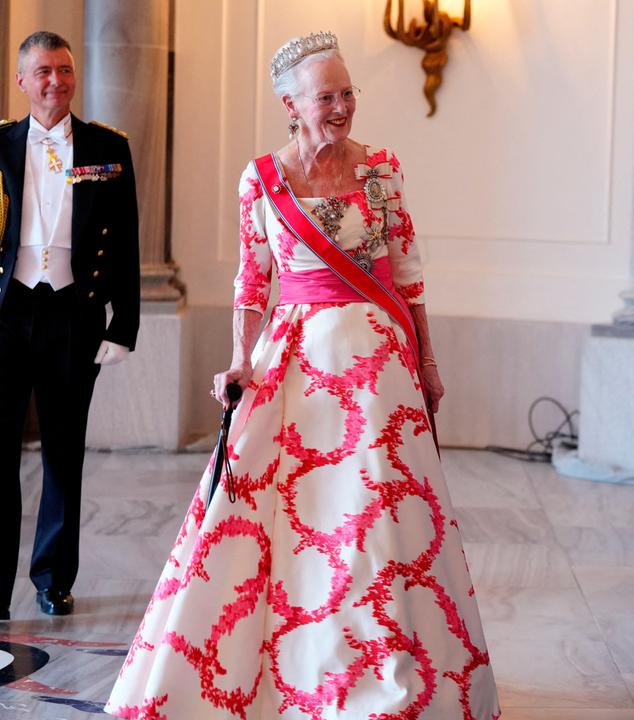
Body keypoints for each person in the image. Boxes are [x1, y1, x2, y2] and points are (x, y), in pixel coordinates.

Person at [105, 32, 498, 719]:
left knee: (375, 517)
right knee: (285, 513)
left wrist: (427, 362)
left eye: (349, 93)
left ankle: (382, 673)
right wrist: (236, 358)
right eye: (327, 96)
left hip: (379, 371)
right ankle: (278, 675)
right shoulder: (261, 178)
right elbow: (253, 281)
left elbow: (408, 274)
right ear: (291, 104)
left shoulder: (382, 169)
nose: (342, 107)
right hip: (296, 366)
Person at [0, 30, 139, 620]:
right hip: (7, 313)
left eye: (65, 70)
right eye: (44, 71)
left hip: (72, 313)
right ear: (22, 81)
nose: (56, 81)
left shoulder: (108, 148)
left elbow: (128, 240)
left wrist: (122, 324)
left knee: (62, 452)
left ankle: (54, 578)